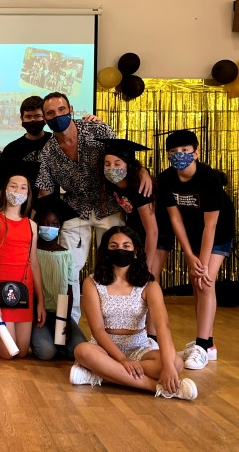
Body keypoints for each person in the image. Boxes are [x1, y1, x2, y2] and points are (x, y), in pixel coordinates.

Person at [36, 92, 152, 321]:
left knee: (114, 264)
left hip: (108, 205)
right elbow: (46, 192)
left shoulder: (96, 129)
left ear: (70, 109)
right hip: (74, 209)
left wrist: (143, 171)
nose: (57, 116)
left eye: (61, 110)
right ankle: (67, 324)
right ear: (45, 118)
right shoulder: (47, 152)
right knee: (67, 268)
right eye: (50, 113)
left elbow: (123, 157)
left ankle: (116, 321)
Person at [70, 226, 198, 401]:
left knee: (176, 363)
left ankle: (101, 374)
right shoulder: (92, 282)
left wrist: (168, 366)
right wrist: (122, 360)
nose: (120, 250)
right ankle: (157, 388)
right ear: (106, 252)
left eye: (126, 246)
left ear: (135, 251)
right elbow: (97, 330)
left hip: (139, 348)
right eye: (113, 246)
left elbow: (162, 327)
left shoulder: (149, 284)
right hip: (105, 348)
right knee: (82, 351)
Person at [157, 129, 234, 369]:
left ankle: (202, 345)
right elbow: (175, 218)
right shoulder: (166, 179)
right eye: (173, 152)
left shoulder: (208, 178)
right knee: (196, 282)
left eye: (184, 151)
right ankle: (207, 344)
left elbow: (211, 226)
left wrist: (202, 262)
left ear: (196, 153)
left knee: (205, 280)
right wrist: (190, 255)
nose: (179, 155)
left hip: (218, 232)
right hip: (192, 232)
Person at [0, 173, 46, 359]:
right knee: (7, 352)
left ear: (28, 194)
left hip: (24, 291)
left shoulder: (31, 225)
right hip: (1, 289)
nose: (17, 190)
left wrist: (41, 301)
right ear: (4, 190)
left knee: (21, 351)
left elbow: (34, 264)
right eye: (13, 186)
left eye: (23, 187)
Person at [30, 195, 87, 360]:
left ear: (60, 227)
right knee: (46, 352)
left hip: (60, 313)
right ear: (37, 225)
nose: (49, 228)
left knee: (78, 349)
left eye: (54, 224)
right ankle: (44, 339)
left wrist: (65, 320)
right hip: (37, 314)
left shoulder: (66, 254)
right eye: (44, 223)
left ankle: (58, 341)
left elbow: (68, 290)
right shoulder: (32, 252)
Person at [99, 138, 158, 268]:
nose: (111, 168)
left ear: (128, 166)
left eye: (117, 164)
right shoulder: (112, 183)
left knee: (150, 273)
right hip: (136, 232)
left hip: (155, 235)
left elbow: (152, 231)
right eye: (107, 164)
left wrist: (146, 265)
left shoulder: (140, 188)